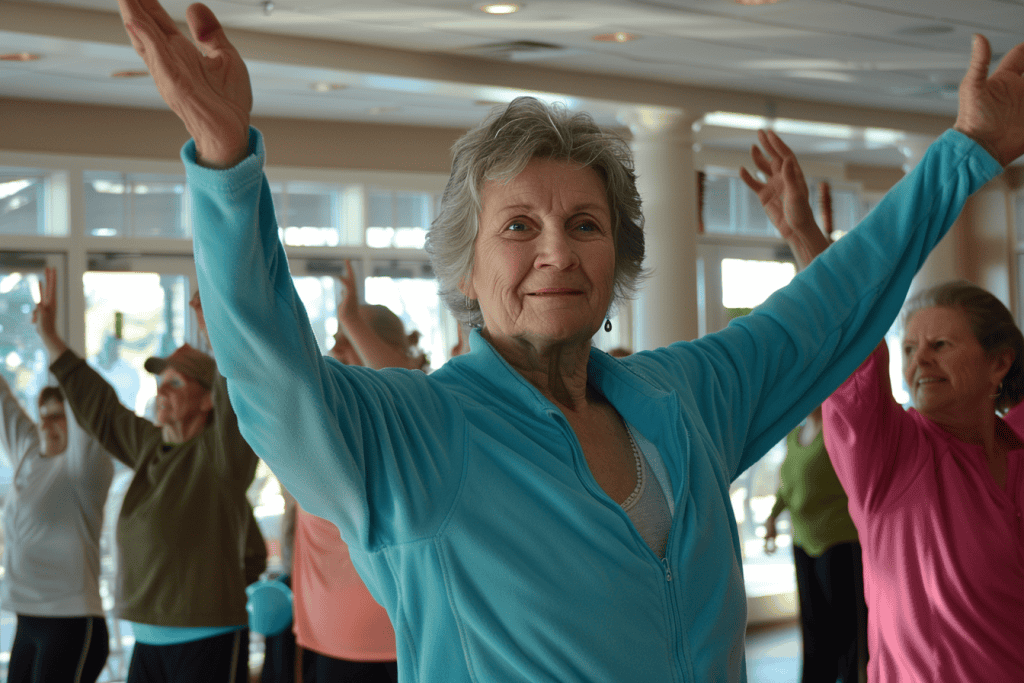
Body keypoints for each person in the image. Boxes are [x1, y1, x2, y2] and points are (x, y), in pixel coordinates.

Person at [115, 0, 1024, 676]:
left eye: (585, 224)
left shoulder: (685, 398)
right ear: (463, 272)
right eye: (518, 227)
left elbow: (829, 308)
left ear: (618, 257)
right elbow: (271, 376)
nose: (557, 251)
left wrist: (966, 150)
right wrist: (228, 166)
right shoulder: (420, 435)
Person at [32, 269, 264, 683]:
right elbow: (101, 409)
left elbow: (238, 399)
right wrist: (51, 339)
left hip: (208, 638)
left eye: (175, 382)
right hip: (147, 640)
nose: (162, 391)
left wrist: (220, 337)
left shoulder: (221, 455)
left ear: (208, 400)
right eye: (159, 382)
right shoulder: (150, 446)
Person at [817, 280, 1024, 682]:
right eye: (910, 349)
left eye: (941, 345)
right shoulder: (891, 455)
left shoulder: (1018, 456)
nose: (920, 361)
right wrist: (803, 233)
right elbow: (852, 340)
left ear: (999, 364)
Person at [290, 265, 405, 682]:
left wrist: (352, 319)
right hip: (324, 641)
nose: (335, 351)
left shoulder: (406, 424)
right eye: (335, 341)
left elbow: (402, 379)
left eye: (348, 342)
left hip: (387, 645)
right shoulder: (330, 419)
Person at [0, 376, 113, 682]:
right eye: (43, 415)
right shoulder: (28, 451)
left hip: (72, 621)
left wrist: (54, 346)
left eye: (58, 415)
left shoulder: (84, 470)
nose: (48, 423)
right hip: (28, 619)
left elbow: (84, 412)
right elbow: (3, 403)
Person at [763, 405, 866, 683]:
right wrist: (773, 517)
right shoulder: (794, 436)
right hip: (802, 541)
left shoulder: (836, 431)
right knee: (813, 624)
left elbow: (856, 480)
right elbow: (788, 486)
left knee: (845, 627)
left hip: (839, 542)